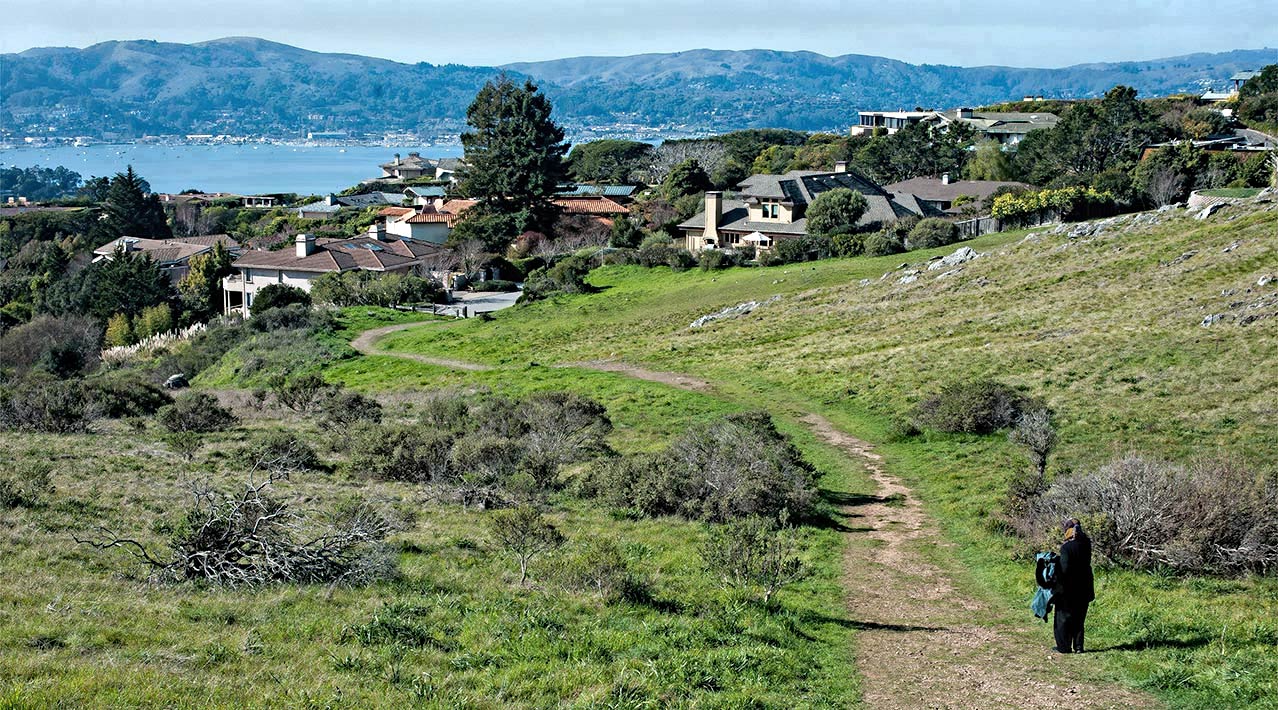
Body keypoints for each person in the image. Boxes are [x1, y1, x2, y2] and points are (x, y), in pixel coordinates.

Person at [1052, 517, 1095, 653]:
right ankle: (1078, 647)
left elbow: (1064, 569)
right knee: (1079, 618)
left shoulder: (1066, 548)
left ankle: (1063, 647)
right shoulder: (1086, 545)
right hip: (1085, 586)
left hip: (1068, 588)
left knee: (1063, 618)